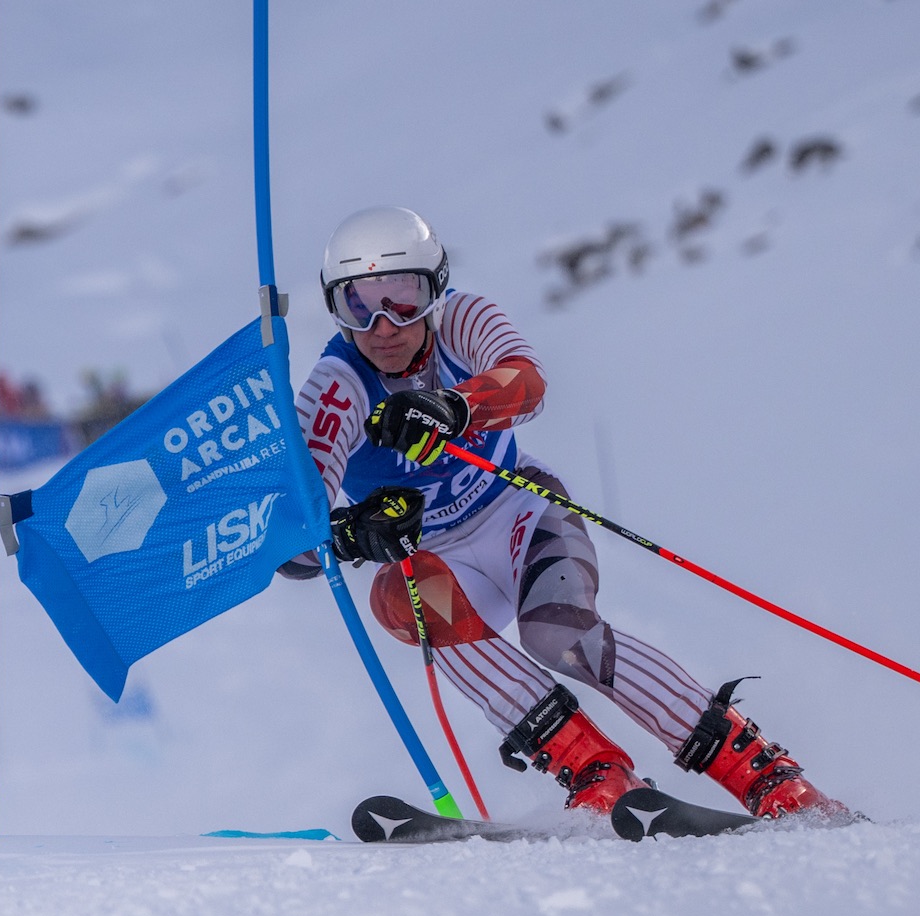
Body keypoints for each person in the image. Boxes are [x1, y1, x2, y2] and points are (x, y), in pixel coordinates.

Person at [281, 206, 844, 820]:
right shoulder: (337, 387)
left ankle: (767, 777)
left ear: (435, 290)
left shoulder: (463, 320)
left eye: (404, 298)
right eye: (359, 305)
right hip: (442, 561)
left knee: (560, 636)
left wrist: (453, 407)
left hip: (521, 516)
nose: (385, 325)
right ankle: (596, 775)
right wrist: (351, 534)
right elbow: (290, 543)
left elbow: (528, 383)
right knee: (399, 594)